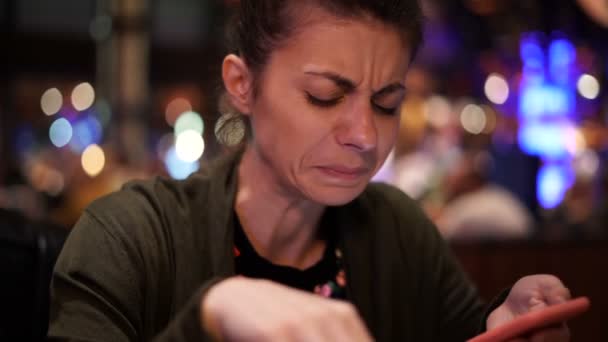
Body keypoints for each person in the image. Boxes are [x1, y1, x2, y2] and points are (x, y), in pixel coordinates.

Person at [48, 1, 573, 341]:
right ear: (242, 85)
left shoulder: (398, 230)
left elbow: (462, 331)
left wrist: (507, 323)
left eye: (387, 104)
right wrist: (211, 316)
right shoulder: (130, 237)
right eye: (325, 97)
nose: (366, 135)